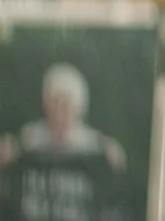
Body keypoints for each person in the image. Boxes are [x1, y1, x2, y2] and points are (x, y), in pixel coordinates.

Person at [0, 64, 129, 221]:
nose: (60, 110)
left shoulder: (92, 144)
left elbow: (117, 160)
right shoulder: (30, 138)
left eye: (66, 103)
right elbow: (9, 152)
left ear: (79, 108)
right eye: (55, 102)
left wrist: (112, 156)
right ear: (46, 104)